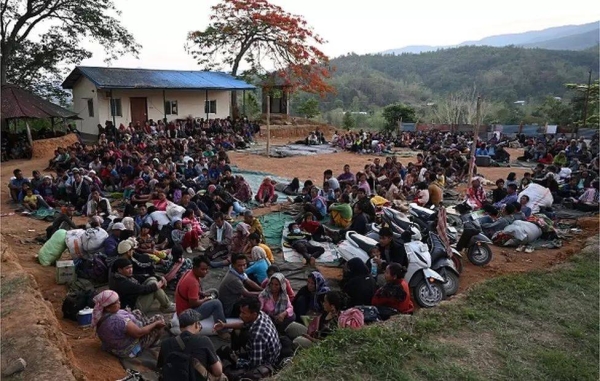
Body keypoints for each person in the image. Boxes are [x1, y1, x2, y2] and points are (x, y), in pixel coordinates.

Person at [214, 298, 281, 378]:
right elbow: (244, 325)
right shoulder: (261, 314)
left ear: (254, 314)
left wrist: (236, 359)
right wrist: (225, 325)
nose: (240, 315)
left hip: (266, 362)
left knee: (225, 357)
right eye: (240, 312)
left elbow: (255, 364)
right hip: (265, 353)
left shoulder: (258, 335)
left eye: (243, 313)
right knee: (236, 334)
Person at [92, 290, 166, 358]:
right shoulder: (118, 321)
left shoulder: (99, 315)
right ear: (108, 308)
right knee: (158, 318)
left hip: (112, 346)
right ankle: (152, 343)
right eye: (116, 302)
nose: (119, 303)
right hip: (126, 350)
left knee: (137, 312)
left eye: (118, 300)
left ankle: (146, 325)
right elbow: (139, 333)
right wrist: (155, 324)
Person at [158, 309, 226, 381]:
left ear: (180, 327)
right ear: (196, 324)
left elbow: (161, 367)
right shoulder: (204, 341)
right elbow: (218, 372)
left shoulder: (165, 343)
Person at [175, 256, 230, 340]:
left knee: (214, 291)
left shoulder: (189, 272)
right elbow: (193, 303)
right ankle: (222, 331)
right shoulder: (193, 282)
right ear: (195, 268)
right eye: (203, 269)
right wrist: (206, 299)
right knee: (216, 303)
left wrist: (202, 294)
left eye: (207, 269)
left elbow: (188, 293)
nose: (205, 272)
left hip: (184, 309)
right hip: (187, 315)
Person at [109, 257, 175, 314]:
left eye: (131, 267)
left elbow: (142, 277)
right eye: (127, 268)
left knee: (152, 279)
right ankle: (166, 306)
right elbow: (143, 289)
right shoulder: (121, 282)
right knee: (154, 288)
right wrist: (158, 285)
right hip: (134, 308)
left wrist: (159, 278)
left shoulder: (122, 276)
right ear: (119, 270)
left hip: (136, 299)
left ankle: (166, 304)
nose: (130, 270)